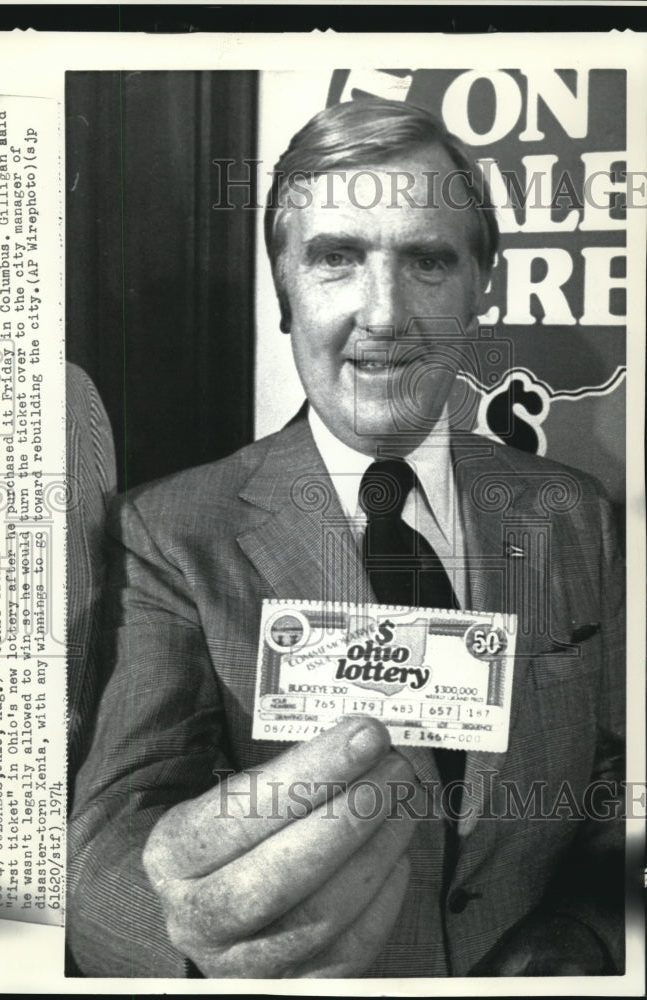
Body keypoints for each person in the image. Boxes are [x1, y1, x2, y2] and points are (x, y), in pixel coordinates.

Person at [67, 98, 625, 978]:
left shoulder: (574, 513)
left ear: (482, 292)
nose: (385, 314)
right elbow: (105, 845)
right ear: (286, 290)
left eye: (429, 260)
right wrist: (200, 943)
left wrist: (589, 933)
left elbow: (616, 779)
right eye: (336, 258)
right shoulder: (170, 532)